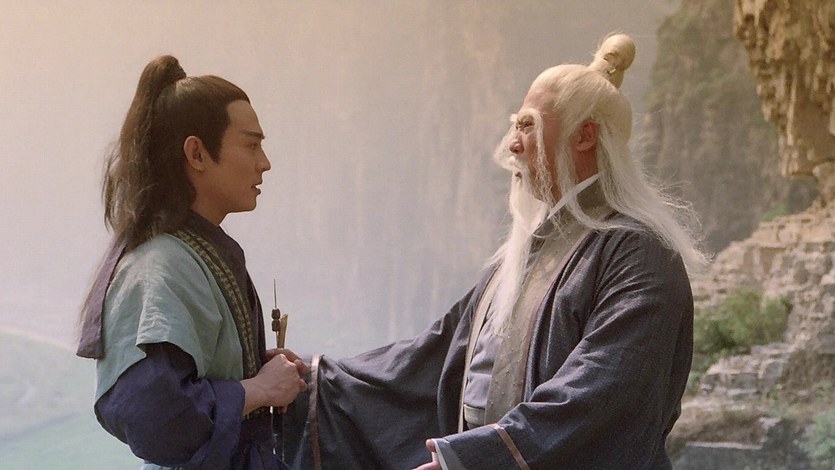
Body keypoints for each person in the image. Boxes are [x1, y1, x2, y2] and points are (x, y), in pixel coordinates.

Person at [281, 33, 708, 470]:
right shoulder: (526, 254)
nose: (512, 145)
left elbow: (604, 390)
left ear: (584, 136)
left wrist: (474, 459)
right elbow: (437, 353)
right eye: (515, 126)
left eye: (527, 126)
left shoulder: (638, 253)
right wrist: (315, 381)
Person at [76, 55, 307, 470]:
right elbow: (155, 417)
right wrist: (258, 390)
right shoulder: (159, 268)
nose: (264, 162)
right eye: (251, 144)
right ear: (197, 153)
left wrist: (253, 368)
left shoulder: (193, 253)